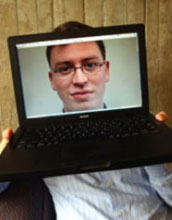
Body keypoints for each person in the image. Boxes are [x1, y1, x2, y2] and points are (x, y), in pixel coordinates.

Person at [0, 21, 172, 219]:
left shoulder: (140, 131)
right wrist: (5, 155)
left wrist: (154, 150)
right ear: (52, 80)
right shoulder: (37, 144)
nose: (80, 79)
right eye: (65, 68)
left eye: (90, 65)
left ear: (106, 70)